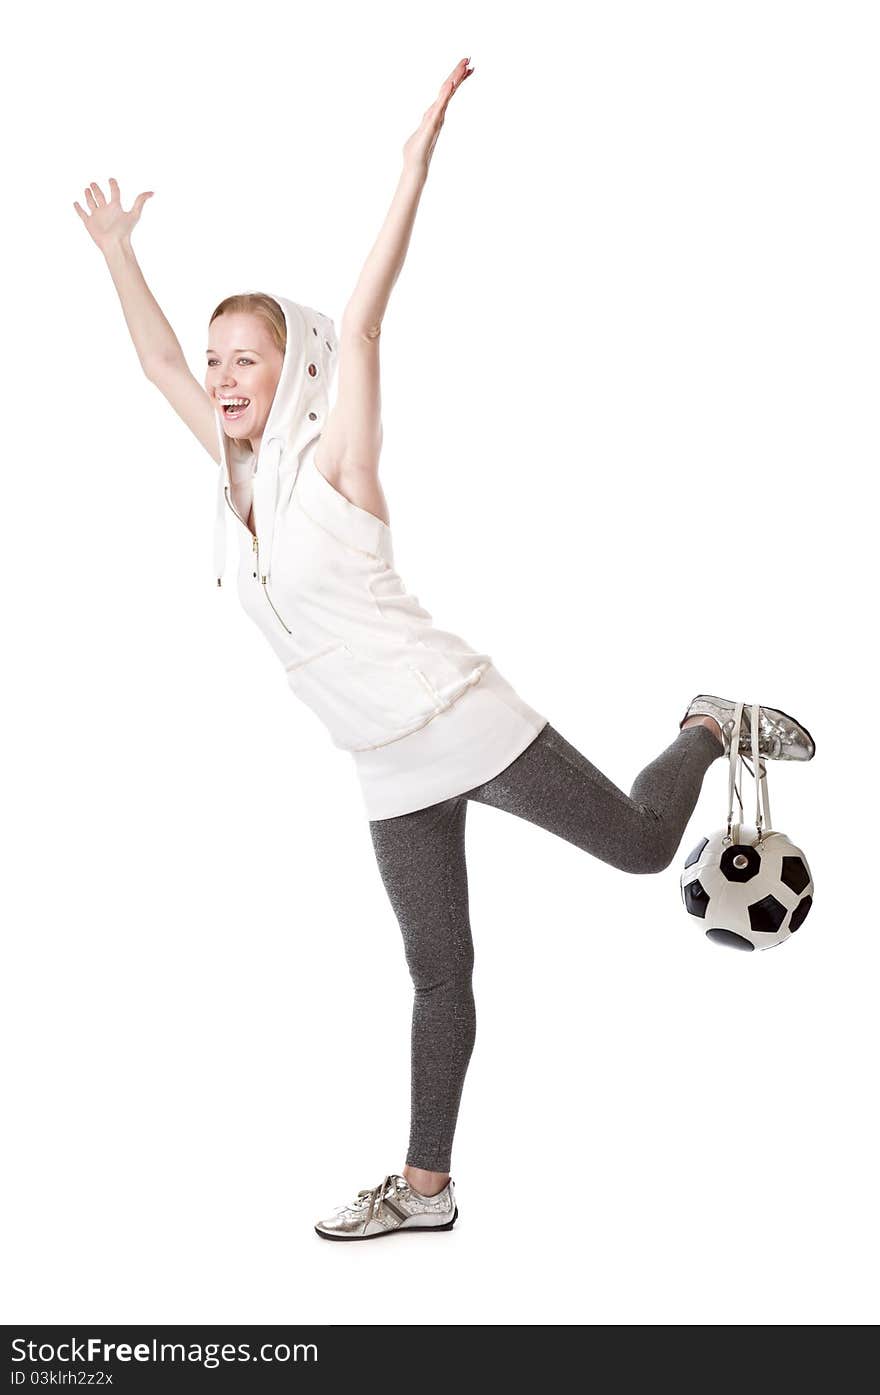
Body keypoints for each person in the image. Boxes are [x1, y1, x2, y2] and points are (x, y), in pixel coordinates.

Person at [74, 57, 816, 1242]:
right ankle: (426, 1192)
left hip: (457, 719)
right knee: (440, 976)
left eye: (244, 358)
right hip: (381, 761)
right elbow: (156, 366)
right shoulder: (232, 476)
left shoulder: (333, 464)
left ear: (294, 371)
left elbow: (362, 318)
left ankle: (707, 723)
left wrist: (411, 167)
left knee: (636, 847)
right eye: (216, 359)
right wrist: (119, 253)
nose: (218, 376)